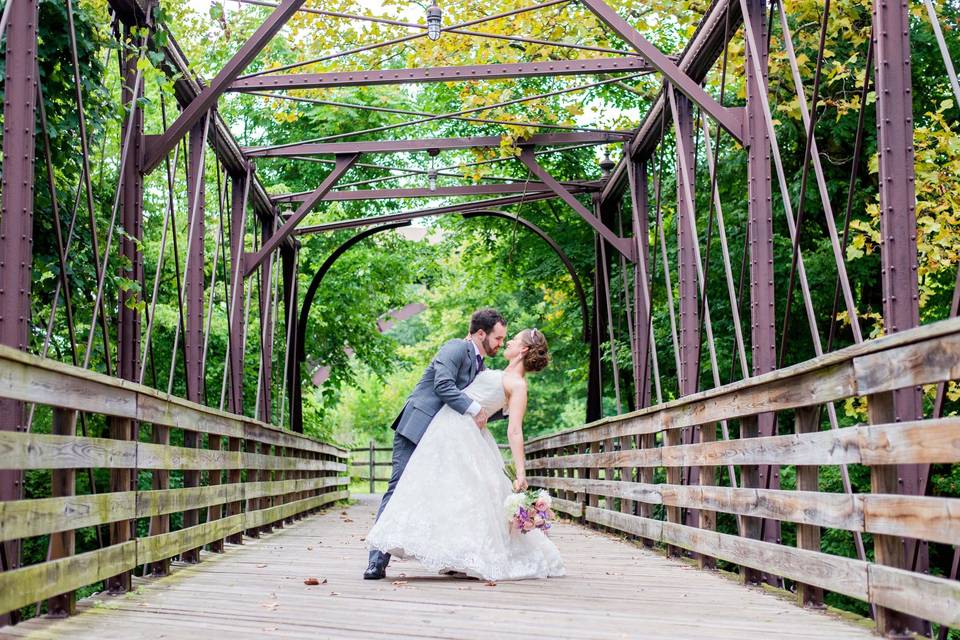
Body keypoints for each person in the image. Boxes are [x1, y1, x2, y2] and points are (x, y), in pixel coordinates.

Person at [366, 328, 565, 582]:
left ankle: (466, 554)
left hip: (465, 436)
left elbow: (514, 430)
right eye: (504, 337)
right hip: (443, 430)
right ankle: (441, 554)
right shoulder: (491, 370)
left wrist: (521, 472)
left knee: (467, 497)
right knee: (444, 494)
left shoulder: (518, 384)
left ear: (523, 350)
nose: (508, 341)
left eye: (513, 340)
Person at [363, 308, 508, 580]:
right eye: (498, 338)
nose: (500, 344)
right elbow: (443, 386)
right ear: (480, 333)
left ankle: (450, 556)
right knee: (397, 489)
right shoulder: (455, 348)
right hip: (418, 428)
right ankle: (376, 561)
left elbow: (478, 403)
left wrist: (507, 406)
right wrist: (476, 409)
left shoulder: (481, 366)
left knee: (452, 493)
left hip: (445, 441)